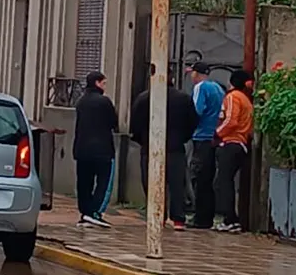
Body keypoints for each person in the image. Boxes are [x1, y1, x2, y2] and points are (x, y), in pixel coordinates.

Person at [129, 71, 198, 230]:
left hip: (150, 147)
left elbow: (135, 125)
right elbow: (193, 122)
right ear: (172, 79)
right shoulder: (183, 99)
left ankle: (157, 215)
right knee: (177, 185)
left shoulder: (143, 98)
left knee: (151, 183)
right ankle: (178, 219)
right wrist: (182, 138)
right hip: (175, 148)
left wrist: (144, 140)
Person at [73, 70, 119, 228]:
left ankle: (85, 211)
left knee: (84, 183)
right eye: (104, 83)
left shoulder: (81, 102)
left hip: (82, 149)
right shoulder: (104, 102)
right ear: (97, 83)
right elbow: (113, 122)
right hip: (103, 150)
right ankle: (95, 212)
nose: (105, 86)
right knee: (104, 182)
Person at [214, 69, 254, 234]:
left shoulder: (233, 97)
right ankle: (232, 219)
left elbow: (231, 120)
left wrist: (217, 133)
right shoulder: (246, 100)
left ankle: (229, 219)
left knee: (223, 183)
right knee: (227, 181)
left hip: (231, 143)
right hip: (241, 144)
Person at [187, 62, 225, 229]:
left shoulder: (200, 88)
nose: (191, 76)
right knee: (208, 179)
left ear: (196, 74)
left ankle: (200, 218)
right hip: (214, 137)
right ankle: (207, 217)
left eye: (192, 73)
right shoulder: (218, 88)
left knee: (199, 177)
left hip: (201, 136)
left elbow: (196, 111)